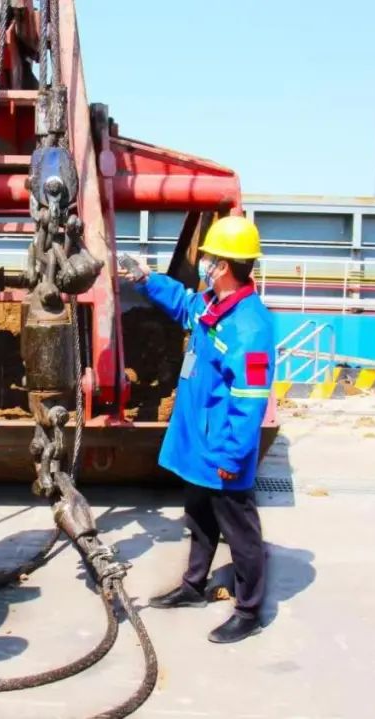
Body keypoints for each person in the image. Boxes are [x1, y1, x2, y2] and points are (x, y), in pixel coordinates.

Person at [121, 215, 276, 644]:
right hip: (199, 441)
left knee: (240, 532)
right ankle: (193, 586)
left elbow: (249, 402)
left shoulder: (250, 327)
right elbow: (184, 304)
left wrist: (231, 456)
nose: (204, 263)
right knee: (200, 517)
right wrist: (147, 279)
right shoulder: (213, 305)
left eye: (208, 258)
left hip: (221, 448)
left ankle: (249, 610)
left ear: (223, 265)